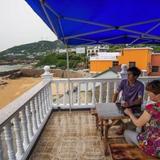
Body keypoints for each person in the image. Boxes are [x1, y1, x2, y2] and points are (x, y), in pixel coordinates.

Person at [124, 80, 160, 158]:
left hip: (155, 147)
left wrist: (130, 113)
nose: (148, 95)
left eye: (150, 93)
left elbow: (138, 123)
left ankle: (137, 155)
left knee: (126, 133)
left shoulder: (152, 108)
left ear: (158, 95)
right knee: (140, 130)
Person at [112, 66, 144, 134]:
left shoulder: (140, 85)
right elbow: (116, 93)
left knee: (138, 119)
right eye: (127, 74)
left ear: (135, 77)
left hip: (135, 106)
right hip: (123, 104)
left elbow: (139, 100)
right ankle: (122, 125)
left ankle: (123, 126)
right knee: (112, 114)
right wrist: (112, 103)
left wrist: (130, 104)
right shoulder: (123, 82)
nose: (127, 76)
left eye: (129, 74)